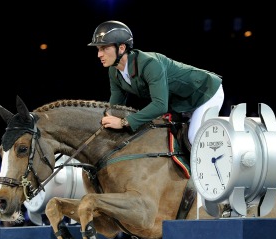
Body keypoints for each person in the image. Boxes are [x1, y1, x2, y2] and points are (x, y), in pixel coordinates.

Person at [88, 20, 224, 146]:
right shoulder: (114, 71)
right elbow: (116, 107)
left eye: (104, 48)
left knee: (194, 137)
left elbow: (160, 105)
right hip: (180, 103)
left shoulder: (150, 64)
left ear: (122, 48)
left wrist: (124, 122)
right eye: (98, 49)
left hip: (205, 92)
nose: (99, 54)